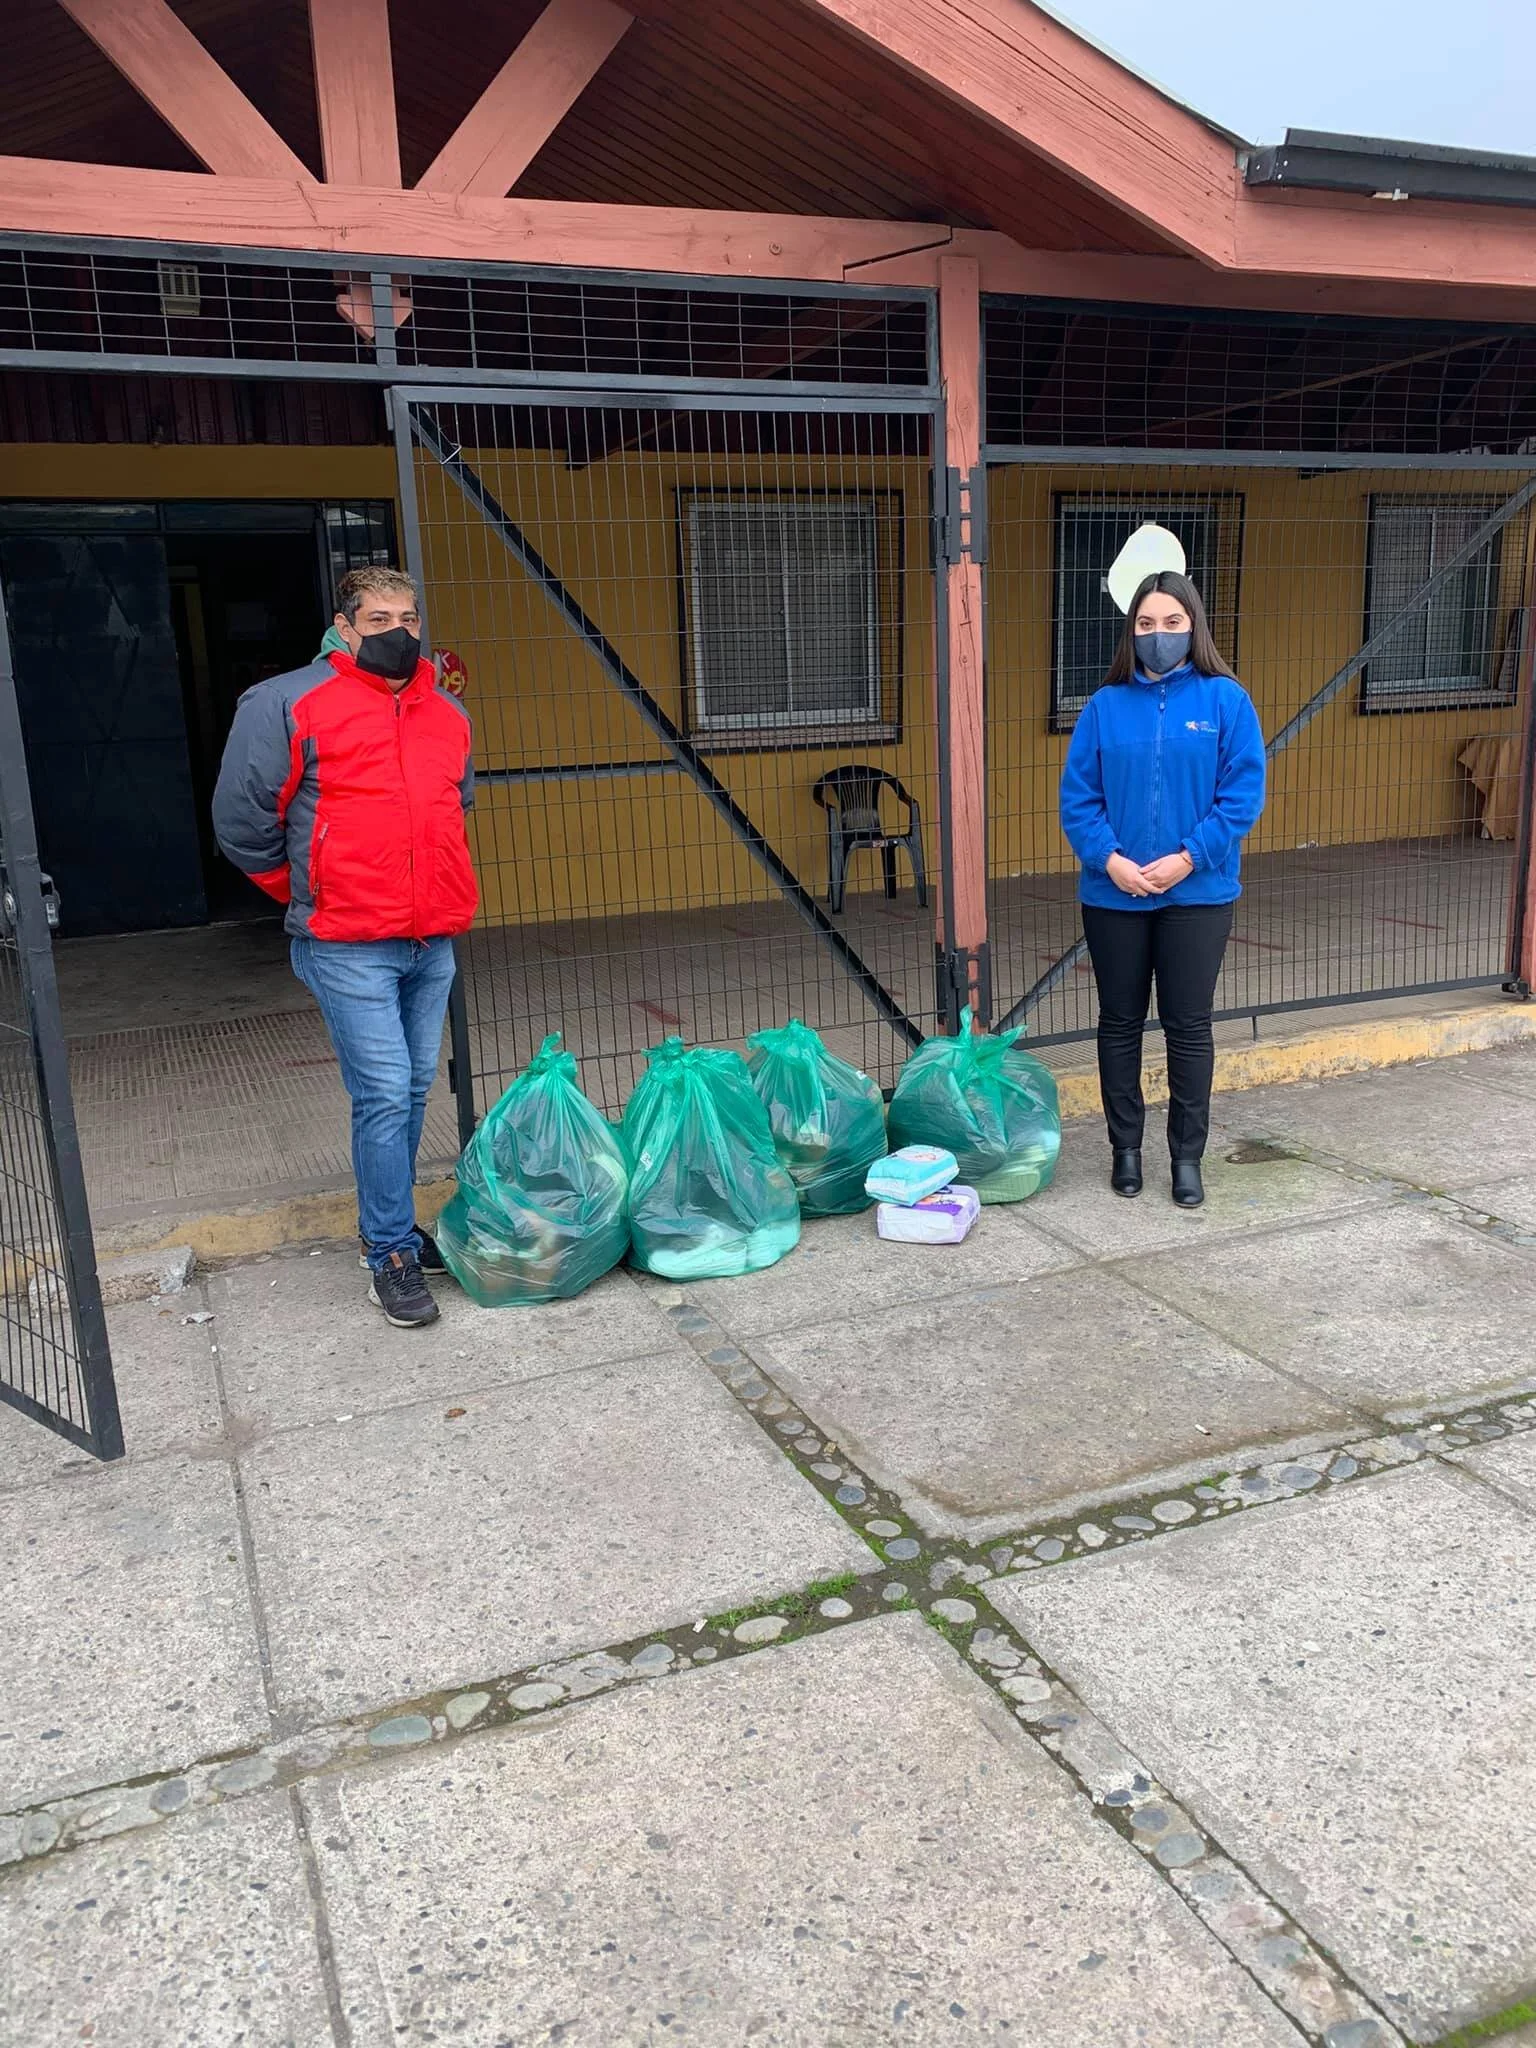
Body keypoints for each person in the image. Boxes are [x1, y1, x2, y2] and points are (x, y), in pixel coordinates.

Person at [214, 567, 477, 1326]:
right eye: (380, 618)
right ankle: (389, 1249)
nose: (398, 631)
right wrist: (309, 892)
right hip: (346, 942)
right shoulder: (286, 702)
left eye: (408, 617)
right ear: (345, 625)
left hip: (430, 936)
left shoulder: (447, 712)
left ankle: (388, 1225)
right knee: (387, 1091)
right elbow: (243, 822)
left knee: (410, 1091)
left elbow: (453, 805)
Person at [1059, 570, 1266, 1209]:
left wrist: (1188, 858)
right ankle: (1125, 1150)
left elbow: (1241, 796)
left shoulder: (1226, 701)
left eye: (1172, 623)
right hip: (1114, 894)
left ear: (1193, 626)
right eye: (1146, 624)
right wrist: (1109, 861)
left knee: (1188, 1025)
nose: (1159, 635)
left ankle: (1186, 1157)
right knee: (1120, 1023)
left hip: (1197, 895)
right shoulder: (1104, 707)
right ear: (1132, 631)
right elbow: (1079, 799)